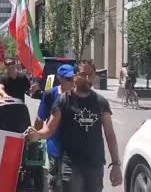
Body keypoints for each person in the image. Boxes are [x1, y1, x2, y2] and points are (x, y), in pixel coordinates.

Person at [28, 60, 122, 192]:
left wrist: (116, 164)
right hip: (71, 166)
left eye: (91, 75)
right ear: (75, 76)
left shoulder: (101, 103)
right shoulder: (63, 100)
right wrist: (37, 134)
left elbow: (110, 135)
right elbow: (49, 129)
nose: (88, 78)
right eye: (83, 74)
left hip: (95, 164)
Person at [34, 64, 75, 192]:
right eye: (68, 79)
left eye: (73, 78)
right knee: (55, 183)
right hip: (55, 148)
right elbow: (39, 120)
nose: (72, 82)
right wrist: (35, 140)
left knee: (71, 184)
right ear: (60, 79)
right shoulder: (50, 95)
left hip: (74, 150)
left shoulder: (78, 95)